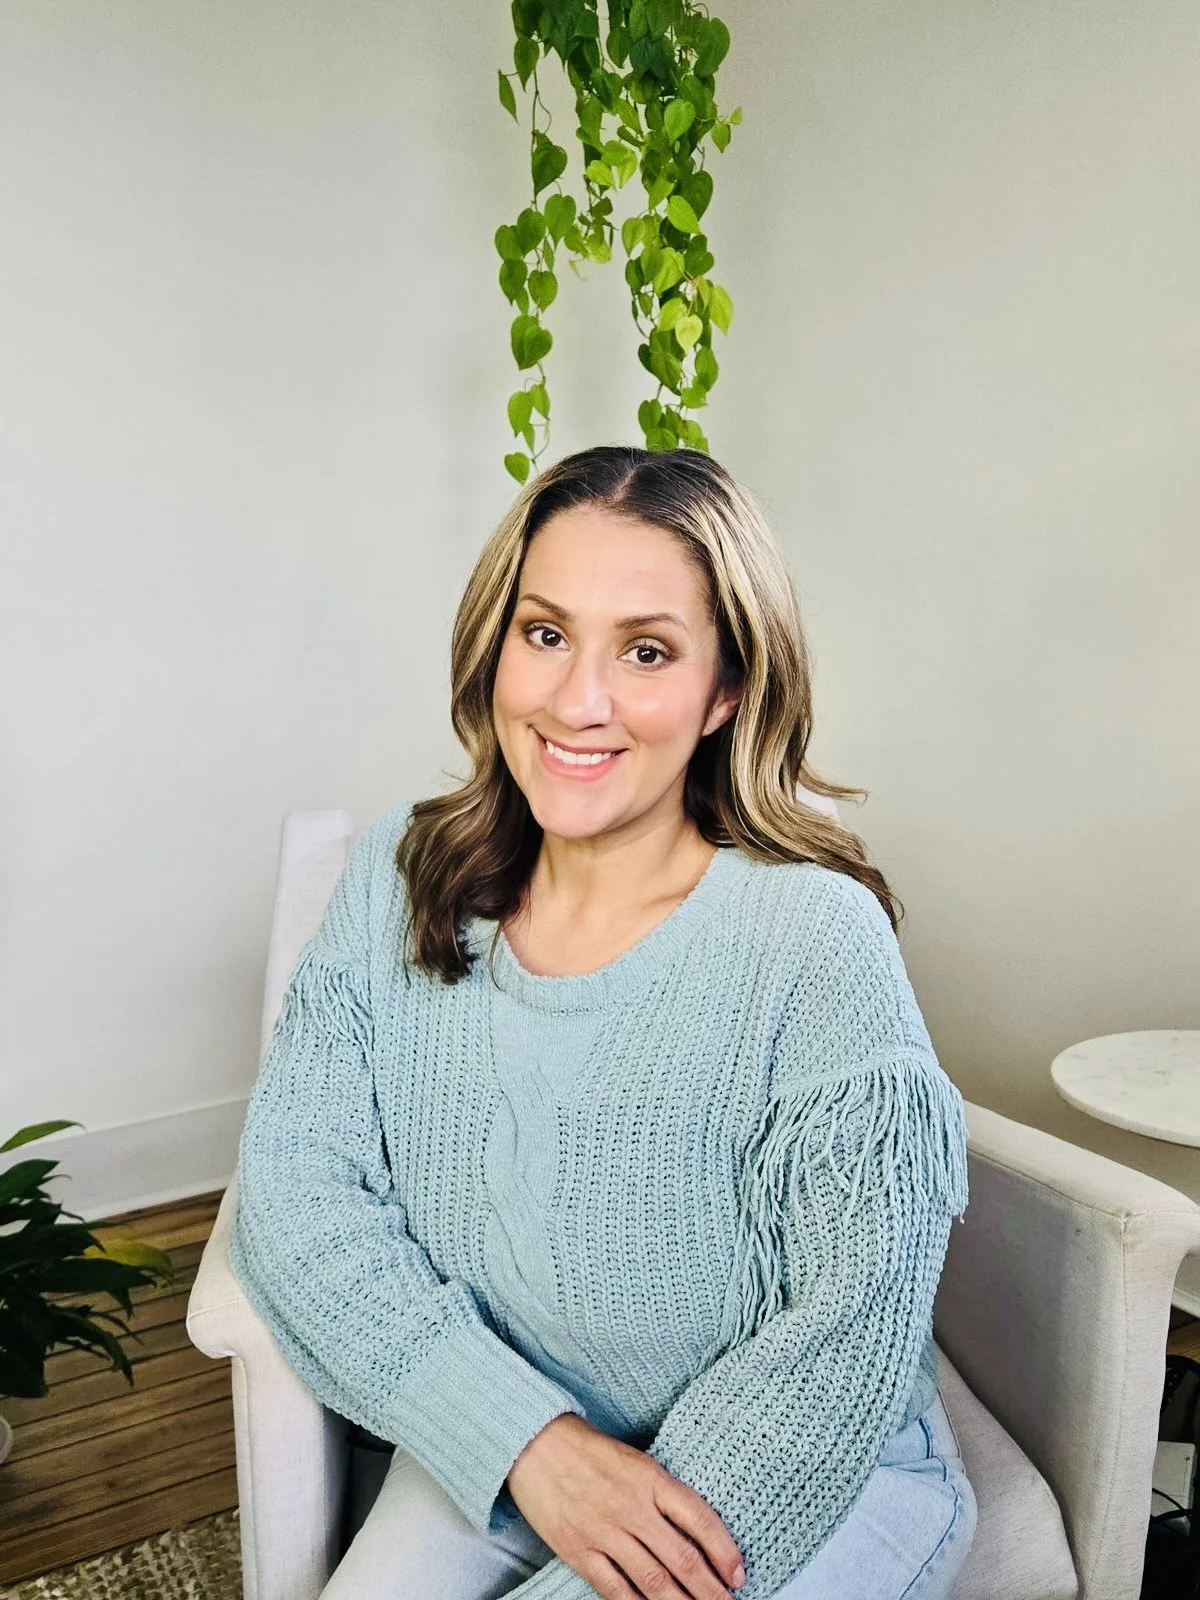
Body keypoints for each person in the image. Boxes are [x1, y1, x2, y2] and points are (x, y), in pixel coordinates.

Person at [229, 444, 978, 1600]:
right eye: (545, 633)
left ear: (726, 688)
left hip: (801, 1473)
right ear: (496, 644)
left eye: (646, 650)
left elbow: (844, 1337)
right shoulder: (398, 871)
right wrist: (524, 1440)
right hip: (513, 1437)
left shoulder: (813, 938)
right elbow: (297, 1191)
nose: (578, 701)